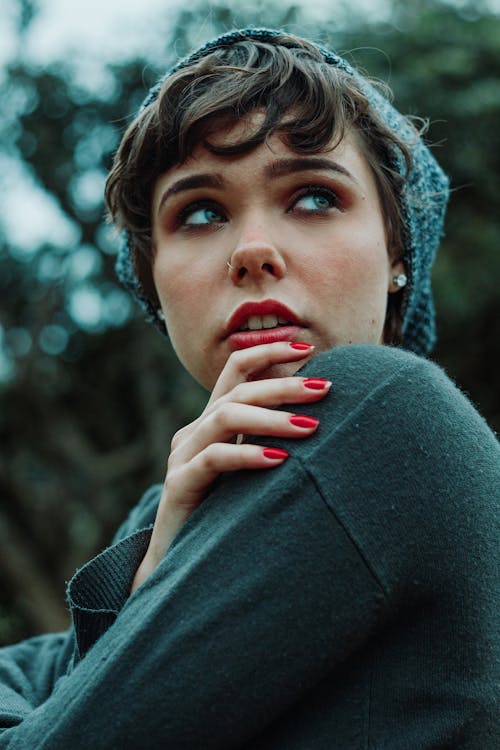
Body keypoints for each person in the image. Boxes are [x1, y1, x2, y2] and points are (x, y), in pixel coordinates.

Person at [0, 27, 498, 749]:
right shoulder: (163, 512)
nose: (253, 250)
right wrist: (148, 576)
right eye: (201, 212)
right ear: (154, 286)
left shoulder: (387, 414)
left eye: (314, 197)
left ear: (397, 249)